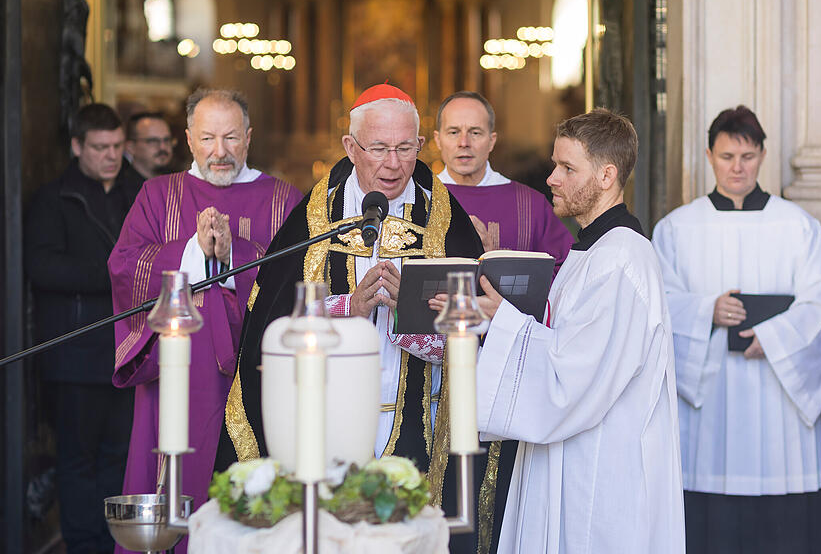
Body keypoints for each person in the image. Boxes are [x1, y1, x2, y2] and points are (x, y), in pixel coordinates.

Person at [215, 83, 497, 553]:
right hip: (325, 424)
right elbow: (274, 327)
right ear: (350, 147)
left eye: (405, 148)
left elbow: (476, 338)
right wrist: (350, 309)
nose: (394, 164)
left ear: (421, 145)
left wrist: (408, 313)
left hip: (418, 431)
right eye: (379, 148)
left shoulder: (446, 223)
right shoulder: (313, 221)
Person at [439, 108, 685, 553]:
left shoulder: (621, 260)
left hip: (599, 476)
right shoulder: (590, 252)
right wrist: (495, 318)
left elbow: (576, 375)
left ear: (607, 175)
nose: (552, 178)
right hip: (571, 459)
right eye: (555, 165)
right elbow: (565, 346)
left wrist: (506, 321)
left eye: (568, 168)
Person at [109, 88, 302, 553]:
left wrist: (235, 256)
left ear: (249, 137)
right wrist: (193, 253)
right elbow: (125, 267)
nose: (220, 151)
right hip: (177, 377)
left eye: (231, 138)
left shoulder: (284, 200)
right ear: (189, 139)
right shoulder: (158, 195)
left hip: (258, 374)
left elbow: (300, 279)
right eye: (208, 138)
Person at [651, 105, 821, 553]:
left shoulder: (797, 226)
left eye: (748, 157)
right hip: (708, 404)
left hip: (778, 403)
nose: (737, 167)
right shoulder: (677, 228)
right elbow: (656, 305)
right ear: (709, 157)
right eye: (727, 157)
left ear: (763, 156)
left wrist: (774, 338)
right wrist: (707, 311)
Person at [25, 103, 143, 554]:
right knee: (77, 461)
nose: (111, 156)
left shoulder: (139, 192)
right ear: (77, 146)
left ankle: (113, 545)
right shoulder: (54, 198)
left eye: (117, 146)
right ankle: (82, 546)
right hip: (74, 351)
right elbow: (43, 268)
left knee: (119, 457)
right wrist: (115, 274)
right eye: (100, 147)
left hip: (128, 347)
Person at [435, 91, 573, 266]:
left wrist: (497, 263)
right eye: (453, 132)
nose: (464, 142)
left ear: (492, 141)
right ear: (438, 139)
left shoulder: (530, 204)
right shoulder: (420, 198)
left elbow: (566, 270)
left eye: (475, 133)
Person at [125, 111, 176, 179]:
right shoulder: (120, 184)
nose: (162, 147)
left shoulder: (179, 181)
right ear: (131, 147)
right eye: (153, 141)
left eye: (167, 140)